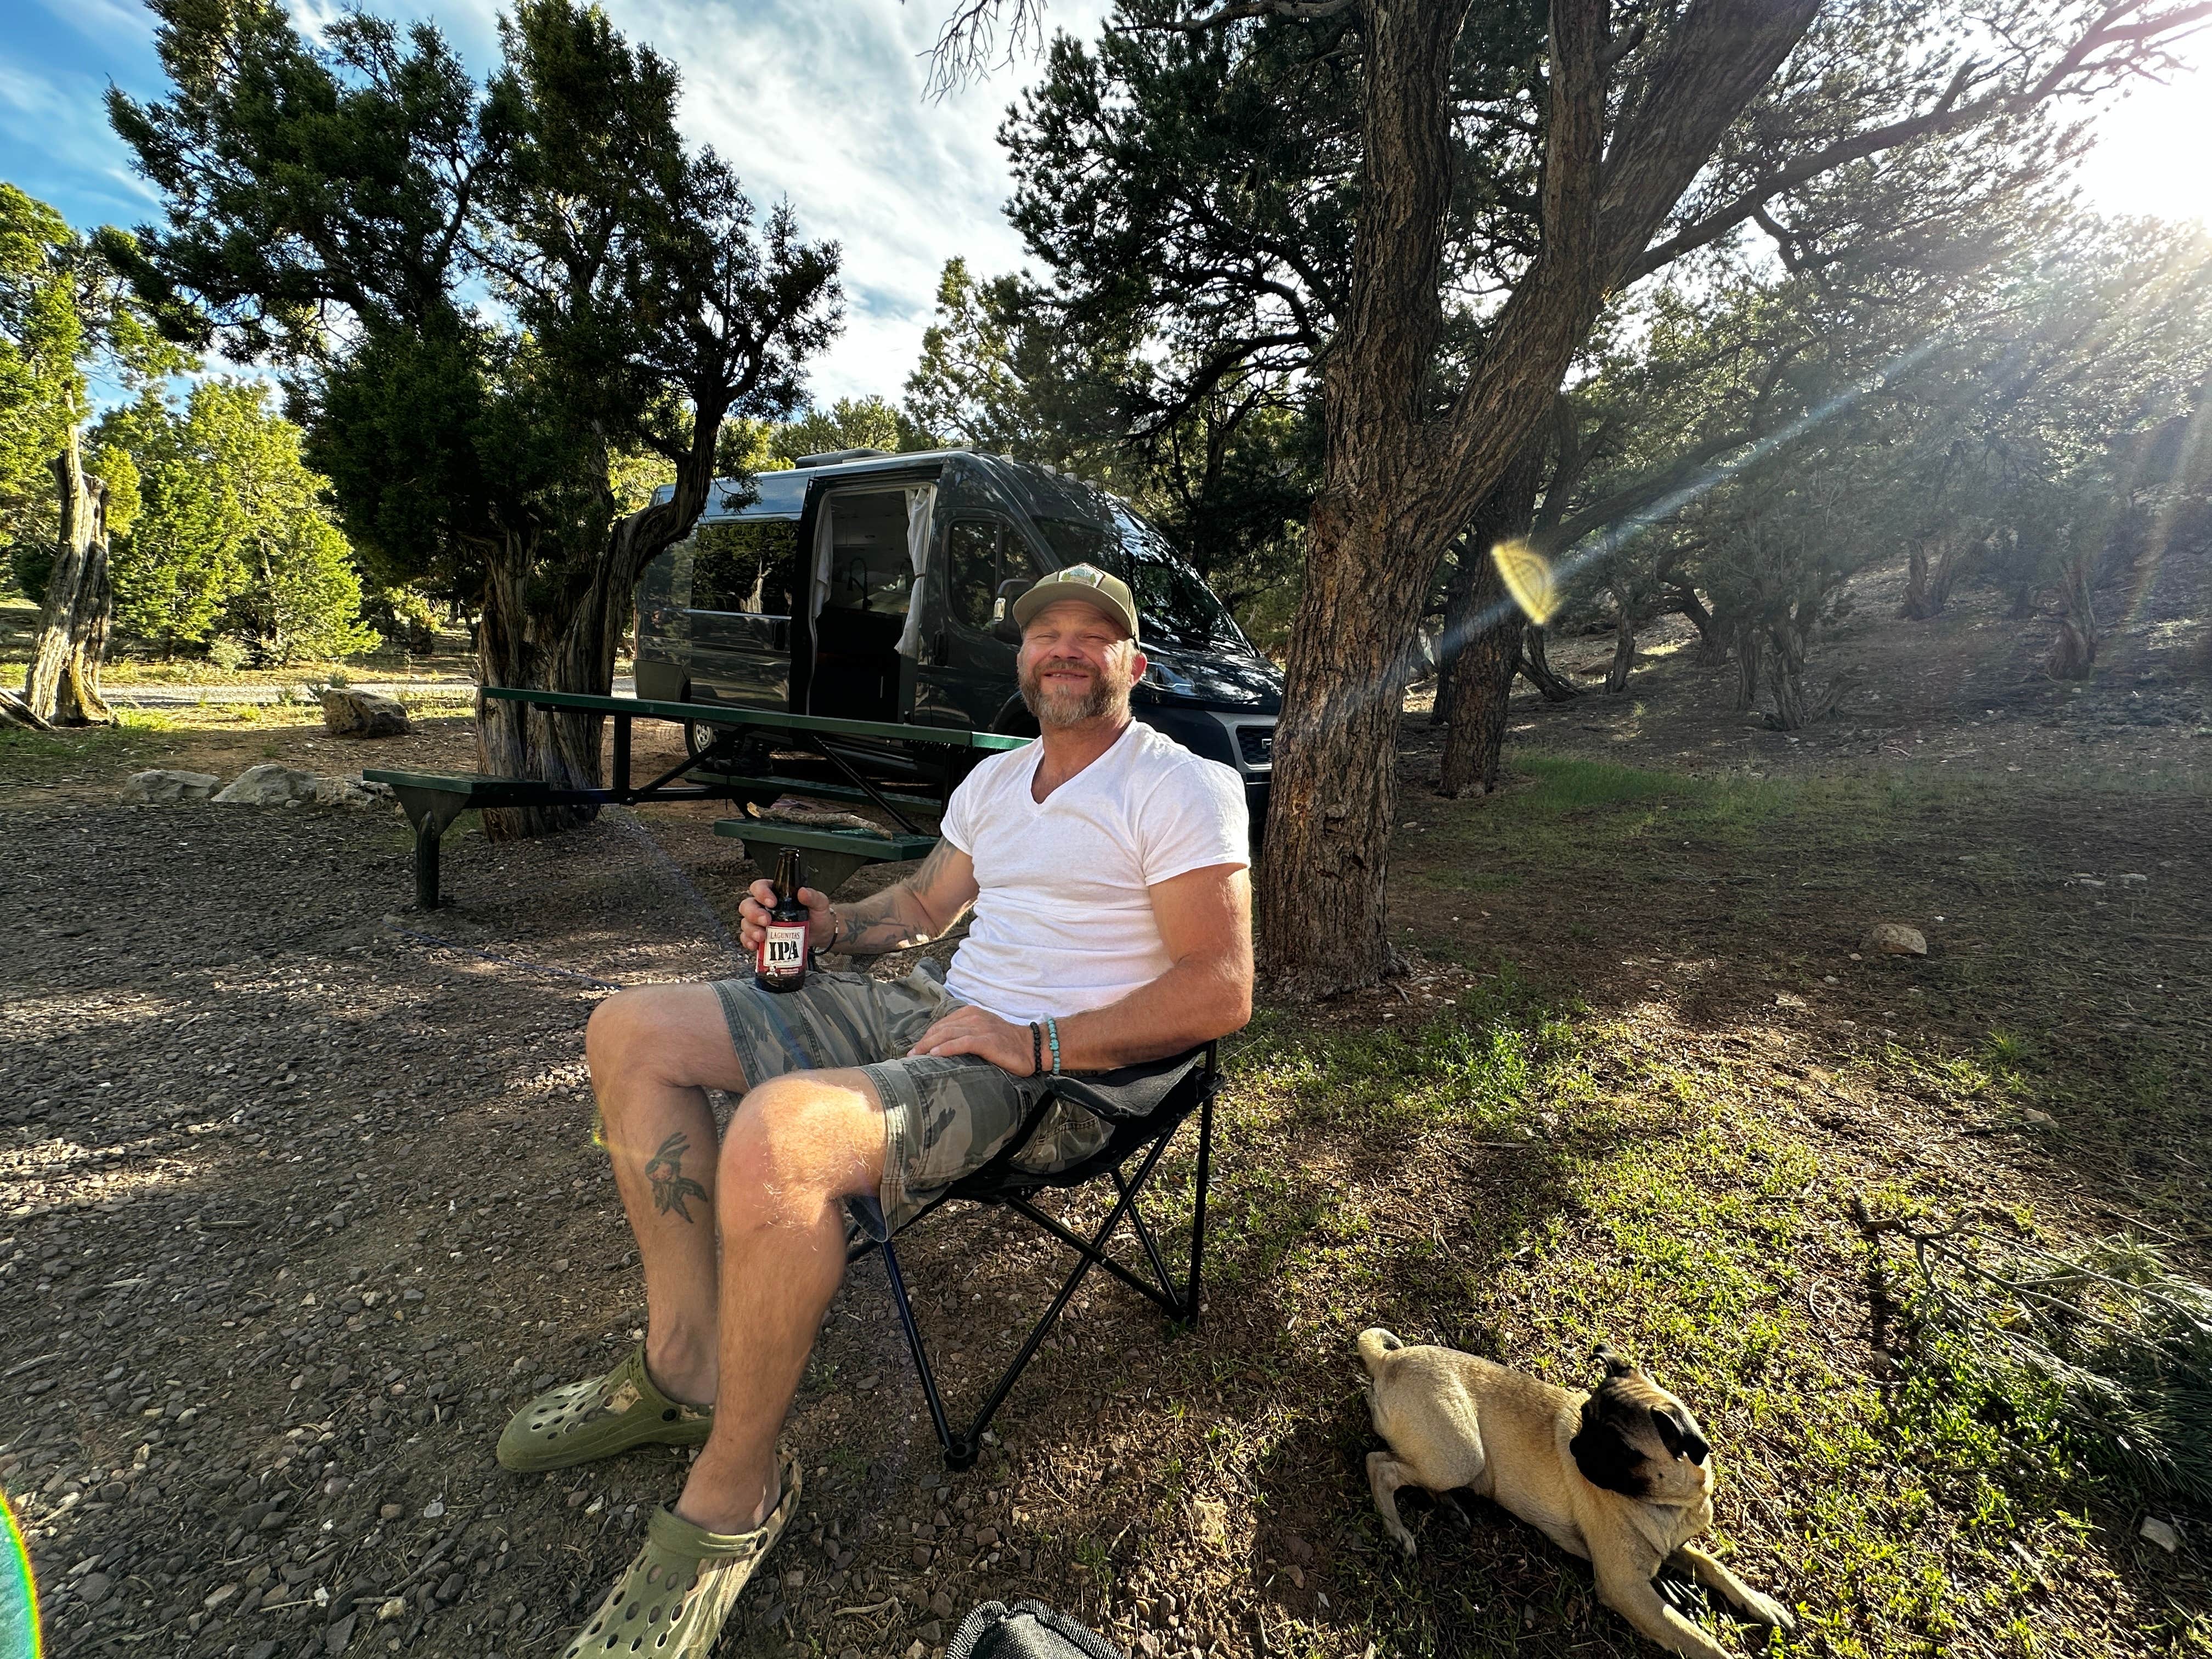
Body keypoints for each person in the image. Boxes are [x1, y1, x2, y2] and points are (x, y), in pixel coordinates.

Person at [498, 563, 1255, 1659]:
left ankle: (733, 1496)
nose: (1068, 650)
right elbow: (917, 906)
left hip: (1056, 1073)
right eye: (1047, 632)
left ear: (1134, 664)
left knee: (779, 1138)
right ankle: (683, 1367)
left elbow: (1221, 988)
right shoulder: (997, 786)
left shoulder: (1179, 787)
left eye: (1097, 637)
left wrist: (1035, 1039)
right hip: (936, 1008)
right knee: (628, 1030)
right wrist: (820, 922)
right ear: (1023, 658)